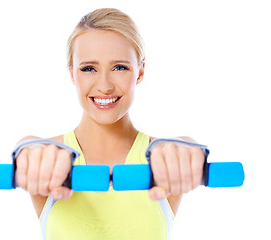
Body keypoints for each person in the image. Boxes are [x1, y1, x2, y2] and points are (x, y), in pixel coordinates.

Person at [15, 8, 205, 240]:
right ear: (73, 74)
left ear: (140, 71)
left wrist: (186, 148)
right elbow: (32, 147)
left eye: (120, 67)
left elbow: (182, 146)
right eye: (88, 69)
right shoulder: (48, 158)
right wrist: (28, 150)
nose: (104, 86)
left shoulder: (163, 160)